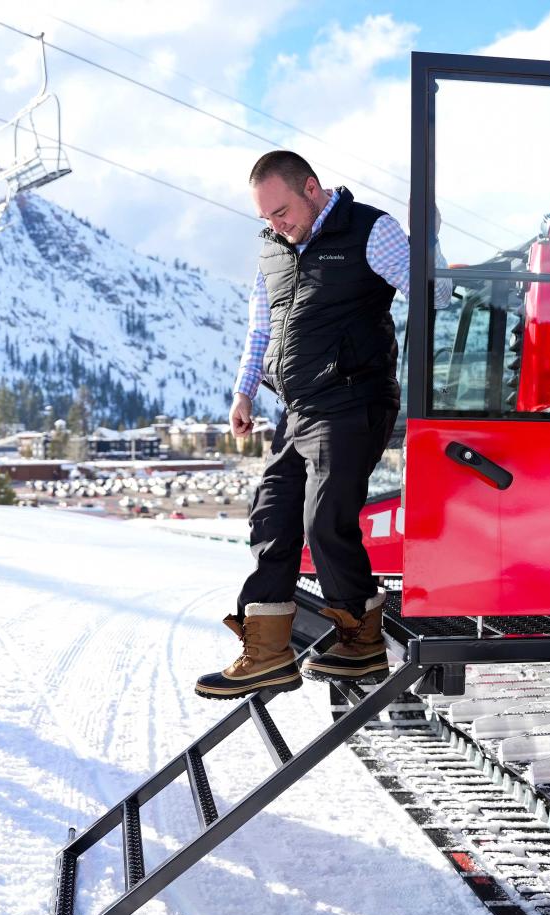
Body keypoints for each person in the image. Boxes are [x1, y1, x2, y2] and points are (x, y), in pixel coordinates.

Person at [195, 150, 417, 699]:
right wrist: (244, 390)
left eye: (282, 211)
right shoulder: (274, 249)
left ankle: (361, 639)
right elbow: (261, 326)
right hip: (298, 407)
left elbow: (431, 294)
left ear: (312, 189)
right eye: (266, 216)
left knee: (324, 521)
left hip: (354, 398)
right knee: (271, 514)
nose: (276, 224)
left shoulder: (369, 229)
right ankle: (269, 651)